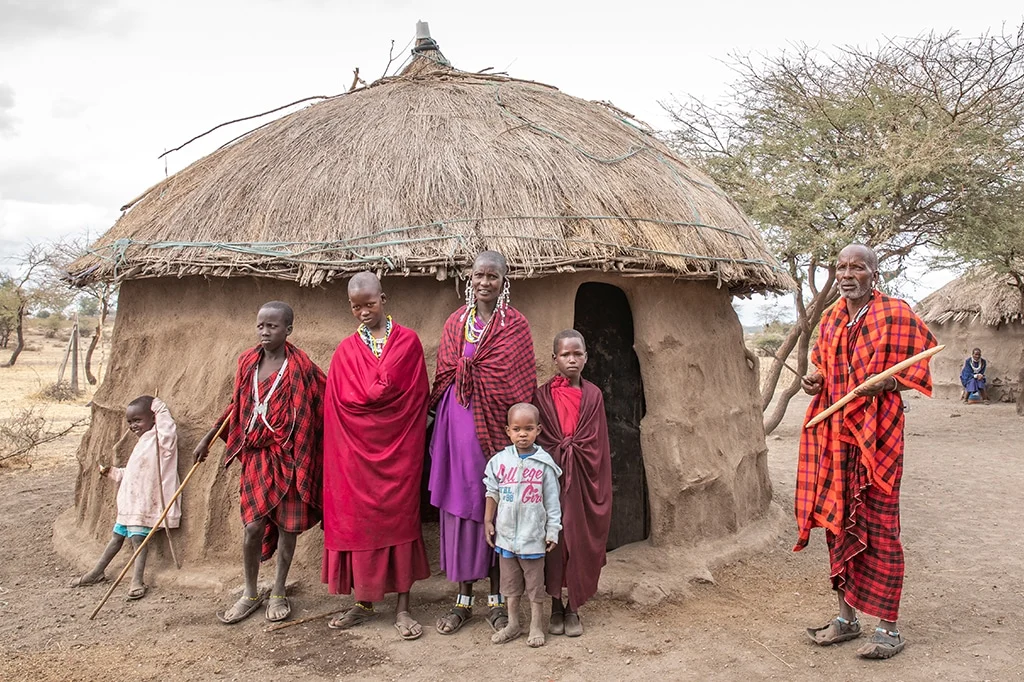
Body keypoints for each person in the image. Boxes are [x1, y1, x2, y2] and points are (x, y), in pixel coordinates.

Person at [798, 244, 937, 660]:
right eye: (840, 267)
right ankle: (846, 619)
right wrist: (814, 380)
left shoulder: (895, 314)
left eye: (856, 267)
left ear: (874, 274)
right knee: (837, 523)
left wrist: (889, 384)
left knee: (880, 526)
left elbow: (920, 366)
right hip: (835, 435)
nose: (846, 274)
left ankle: (888, 629)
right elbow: (822, 366)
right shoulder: (830, 318)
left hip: (877, 438)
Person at [193, 301, 326, 624]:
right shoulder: (248, 362)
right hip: (257, 457)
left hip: (290, 458)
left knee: (287, 527)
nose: (265, 332)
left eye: (273, 326)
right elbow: (237, 404)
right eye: (261, 326)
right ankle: (250, 591)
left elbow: (324, 405)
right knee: (252, 526)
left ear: (288, 330)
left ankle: (279, 589)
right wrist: (209, 436)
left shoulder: (301, 368)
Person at [428, 250, 537, 635]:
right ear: (469, 279)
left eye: (493, 276)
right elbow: (444, 376)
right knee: (462, 507)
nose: (485, 282)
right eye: (479, 275)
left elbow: (520, 386)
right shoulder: (456, 323)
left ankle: (497, 599)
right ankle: (461, 600)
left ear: (504, 280)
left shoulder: (516, 326)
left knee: (497, 507)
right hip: (457, 427)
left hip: (497, 433)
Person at [321, 273, 431, 640]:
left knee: (400, 521)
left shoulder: (409, 342)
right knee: (359, 523)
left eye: (369, 304)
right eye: (356, 306)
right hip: (354, 456)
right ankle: (363, 601)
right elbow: (337, 406)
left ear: (383, 298)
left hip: (400, 451)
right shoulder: (345, 351)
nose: (363, 311)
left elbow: (417, 396)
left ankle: (403, 607)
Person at [533, 329, 612, 638]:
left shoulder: (594, 396)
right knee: (554, 540)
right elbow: (542, 439)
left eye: (577, 353)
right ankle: (555, 603)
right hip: (551, 481)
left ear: (586, 357)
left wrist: (581, 461)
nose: (572, 359)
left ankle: (574, 606)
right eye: (565, 354)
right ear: (554, 359)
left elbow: (597, 443)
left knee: (578, 539)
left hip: (583, 479)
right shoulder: (542, 395)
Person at [70, 395, 180, 601]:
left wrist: (159, 407)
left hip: (146, 502)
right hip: (130, 503)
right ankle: (97, 572)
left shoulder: (161, 441)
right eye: (130, 422)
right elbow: (131, 473)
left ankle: (137, 580)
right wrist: (112, 472)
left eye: (138, 420)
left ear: (153, 418)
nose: (133, 425)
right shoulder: (142, 444)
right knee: (116, 538)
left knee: (139, 540)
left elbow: (169, 431)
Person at [483, 403, 562, 648]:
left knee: (535, 587)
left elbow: (552, 501)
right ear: (508, 431)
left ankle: (537, 624)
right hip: (506, 538)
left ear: (538, 430)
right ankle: (513, 624)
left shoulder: (544, 464)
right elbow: (492, 491)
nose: (523, 434)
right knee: (510, 586)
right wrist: (488, 520)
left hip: (532, 538)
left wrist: (553, 531)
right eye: (517, 429)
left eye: (528, 428)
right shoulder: (500, 461)